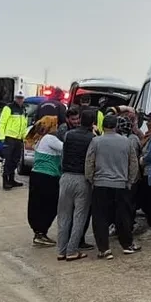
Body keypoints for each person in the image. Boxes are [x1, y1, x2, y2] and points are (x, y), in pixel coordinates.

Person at [85, 115, 141, 258]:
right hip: (121, 185)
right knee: (123, 216)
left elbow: (89, 162)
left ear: (103, 126)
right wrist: (129, 182)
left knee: (100, 217)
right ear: (116, 126)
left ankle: (104, 249)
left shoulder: (96, 141)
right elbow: (134, 164)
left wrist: (91, 179)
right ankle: (127, 245)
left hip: (101, 184)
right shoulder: (126, 142)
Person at [56, 110, 96, 261]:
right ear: (92, 123)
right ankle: (72, 250)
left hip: (66, 177)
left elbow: (63, 156)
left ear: (80, 119)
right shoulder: (93, 139)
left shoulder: (68, 135)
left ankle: (61, 250)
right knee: (79, 216)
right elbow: (91, 160)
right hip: (82, 179)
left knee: (63, 215)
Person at [27, 115, 63, 246]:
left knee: (37, 205)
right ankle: (41, 232)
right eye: (55, 124)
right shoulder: (50, 139)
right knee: (50, 205)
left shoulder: (40, 139)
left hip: (37, 175)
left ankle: (39, 232)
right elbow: (66, 147)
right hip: (48, 176)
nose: (58, 127)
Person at [0, 90, 30, 190]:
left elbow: (24, 125)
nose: (20, 100)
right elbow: (1, 123)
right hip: (9, 138)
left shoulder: (23, 109)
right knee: (7, 160)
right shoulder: (9, 108)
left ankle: (11, 179)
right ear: (15, 98)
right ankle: (5, 181)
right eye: (18, 98)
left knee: (16, 160)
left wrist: (24, 137)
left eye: (21, 98)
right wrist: (2, 137)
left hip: (19, 139)